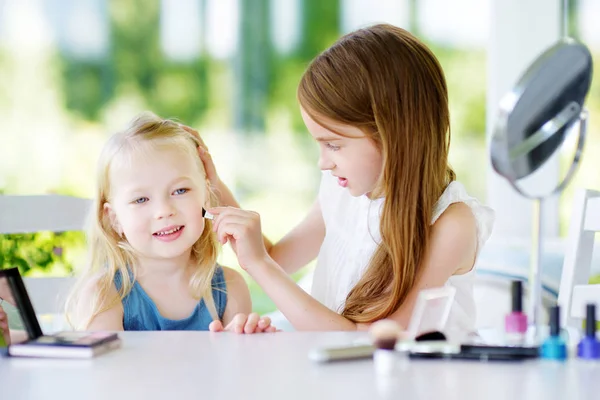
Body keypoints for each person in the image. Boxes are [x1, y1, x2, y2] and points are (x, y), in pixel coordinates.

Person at [195, 24, 495, 332]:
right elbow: (278, 260)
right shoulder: (341, 192)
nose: (323, 163)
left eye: (334, 145)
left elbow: (370, 339)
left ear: (394, 135)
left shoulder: (450, 222)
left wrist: (259, 265)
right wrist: (212, 184)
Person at [64, 112, 276, 334]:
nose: (164, 211)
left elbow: (238, 367)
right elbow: (108, 369)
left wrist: (242, 347)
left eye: (180, 190)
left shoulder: (230, 288)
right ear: (115, 219)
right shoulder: (105, 295)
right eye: (141, 199)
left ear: (206, 196)